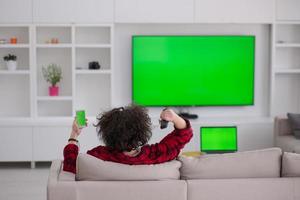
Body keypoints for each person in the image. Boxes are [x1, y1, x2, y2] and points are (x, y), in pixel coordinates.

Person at [63, 105, 193, 173]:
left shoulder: (97, 156)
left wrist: (74, 134)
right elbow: (184, 134)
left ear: (107, 133)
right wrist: (174, 117)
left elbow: (70, 165)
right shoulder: (156, 155)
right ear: (142, 131)